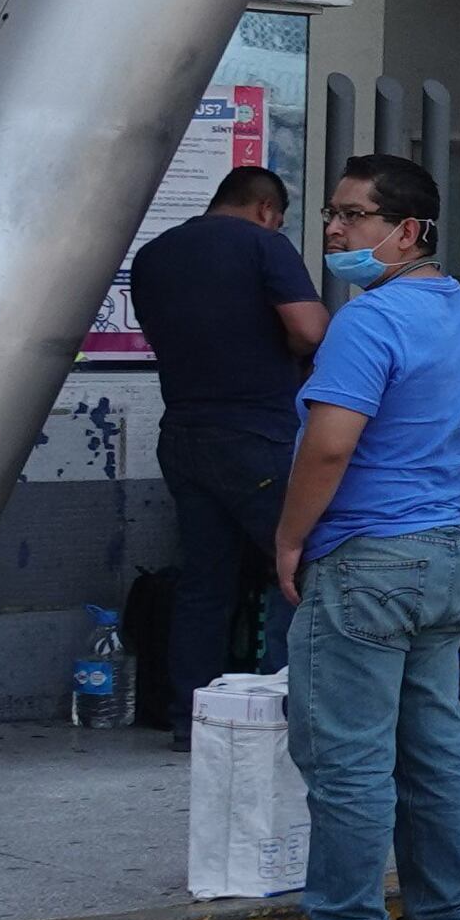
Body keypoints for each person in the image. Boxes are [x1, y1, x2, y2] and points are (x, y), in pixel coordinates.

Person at [252, 155, 460, 920]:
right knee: (434, 747)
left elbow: (329, 445)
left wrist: (289, 539)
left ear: (408, 230)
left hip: (367, 559)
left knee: (347, 756)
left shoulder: (367, 321)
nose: (335, 229)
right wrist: (438, 447)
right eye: (331, 215)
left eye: (353, 215)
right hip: (447, 555)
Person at [126, 165, 322, 733]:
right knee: (300, 566)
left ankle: (194, 722)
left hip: (183, 435)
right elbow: (310, 330)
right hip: (257, 435)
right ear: (266, 209)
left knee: (204, 583)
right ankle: (286, 713)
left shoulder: (154, 255)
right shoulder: (264, 245)